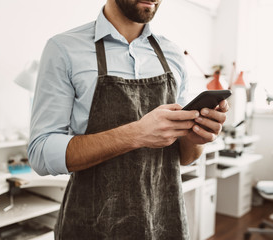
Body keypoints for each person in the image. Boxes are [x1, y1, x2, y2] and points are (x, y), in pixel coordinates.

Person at [28, 0, 229, 239]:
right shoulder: (64, 49)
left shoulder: (172, 53)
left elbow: (185, 157)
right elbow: (40, 153)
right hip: (92, 225)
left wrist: (196, 137)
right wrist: (136, 134)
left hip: (164, 222)